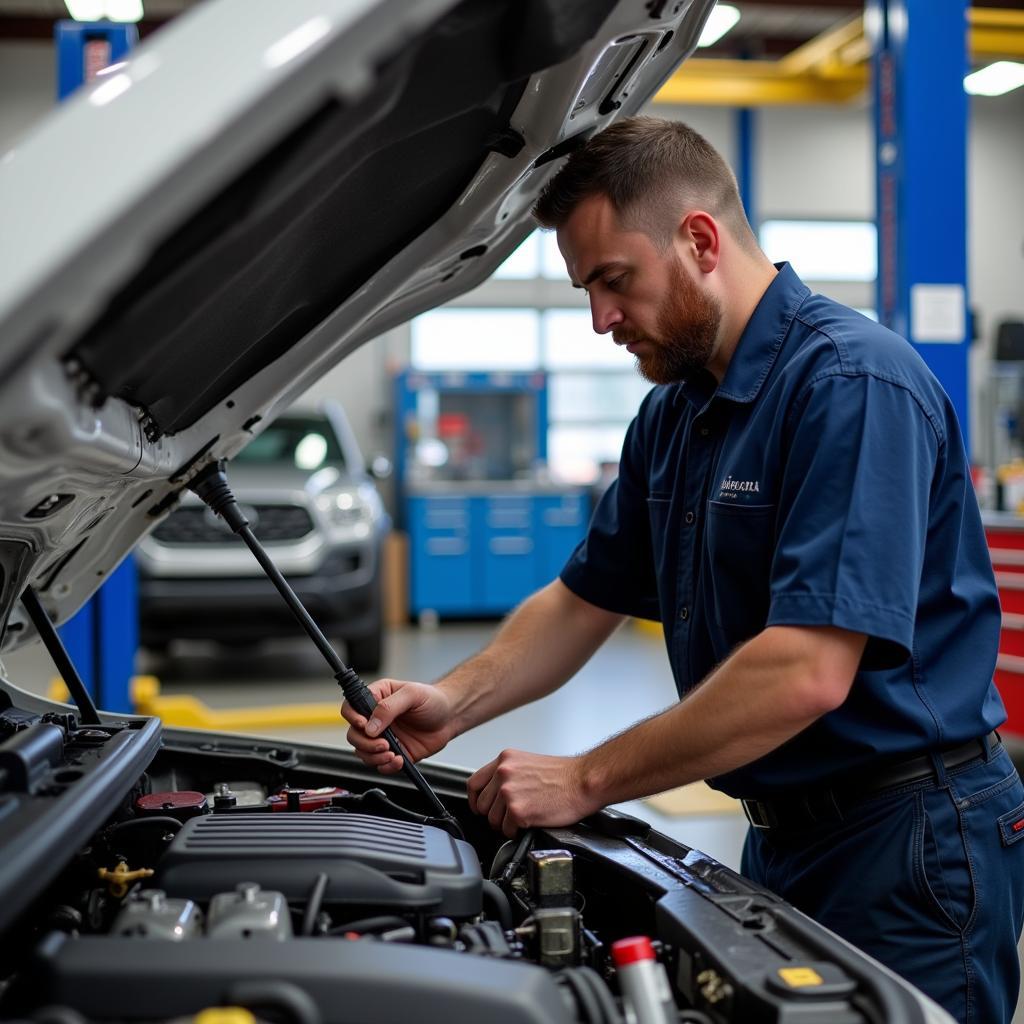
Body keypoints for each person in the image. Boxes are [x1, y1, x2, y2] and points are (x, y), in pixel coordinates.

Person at [343, 117, 1024, 1023]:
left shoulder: (851, 386)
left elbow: (805, 673)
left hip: (910, 841)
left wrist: (583, 778)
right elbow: (583, 601)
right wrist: (452, 701)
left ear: (699, 240)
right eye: (587, 290)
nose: (600, 321)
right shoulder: (675, 416)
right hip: (783, 835)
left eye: (614, 282)